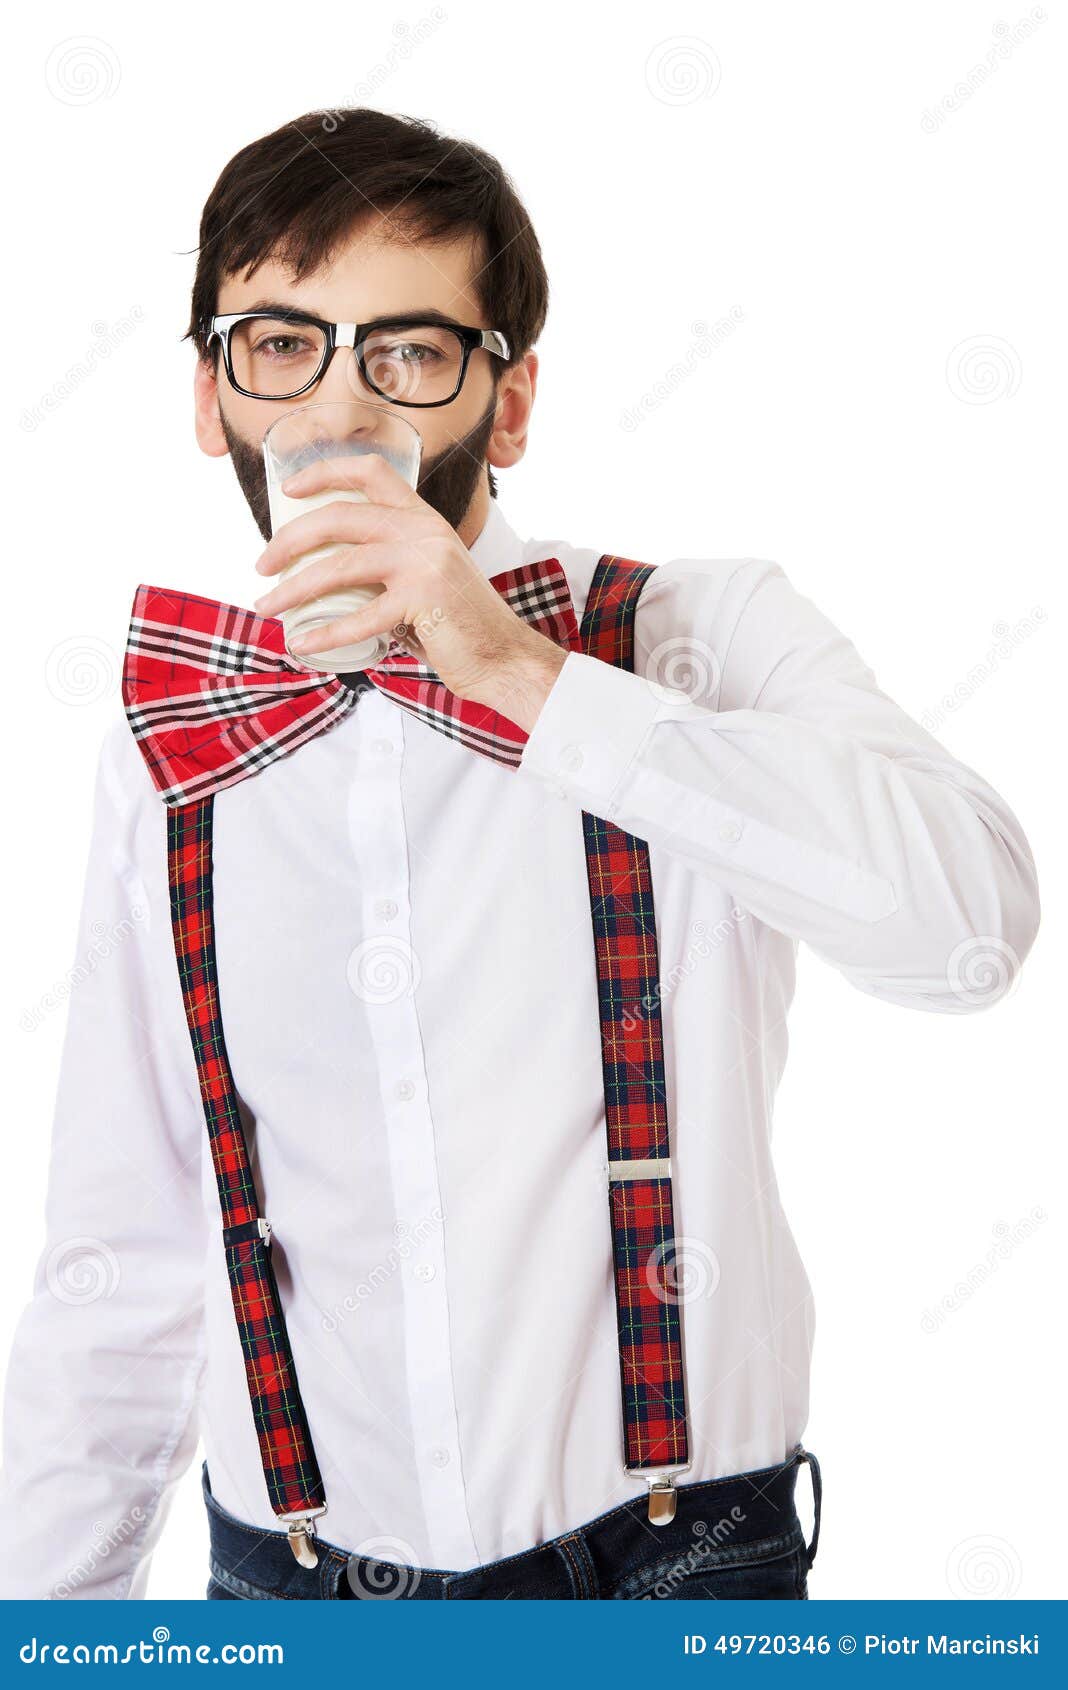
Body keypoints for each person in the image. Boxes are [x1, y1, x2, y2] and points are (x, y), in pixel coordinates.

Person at [0, 108, 1040, 1602]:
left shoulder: (701, 635)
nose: (336, 410)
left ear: (514, 397)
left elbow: (974, 928)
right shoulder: (180, 746)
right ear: (211, 394)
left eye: (409, 352)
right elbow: (120, 1259)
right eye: (281, 343)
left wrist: (533, 683)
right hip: (294, 1591)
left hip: (681, 1580)